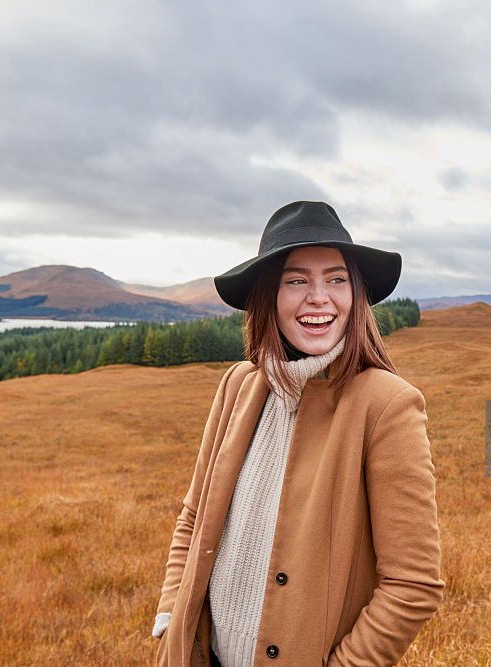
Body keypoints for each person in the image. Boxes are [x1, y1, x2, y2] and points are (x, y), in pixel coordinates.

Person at [151, 201, 444, 666]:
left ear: (356, 294)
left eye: (335, 279)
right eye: (296, 280)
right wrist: (170, 617)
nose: (318, 297)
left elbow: (413, 585)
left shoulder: (387, 405)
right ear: (270, 295)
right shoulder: (238, 385)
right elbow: (193, 517)